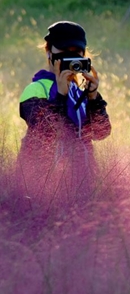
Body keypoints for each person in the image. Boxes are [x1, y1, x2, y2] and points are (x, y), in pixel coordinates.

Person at [17, 21, 111, 198]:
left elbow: (101, 132)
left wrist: (93, 98)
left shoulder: (79, 92)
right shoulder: (35, 90)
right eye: (63, 52)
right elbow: (47, 131)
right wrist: (60, 94)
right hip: (42, 190)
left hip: (82, 187)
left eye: (75, 53)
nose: (69, 57)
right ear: (48, 52)